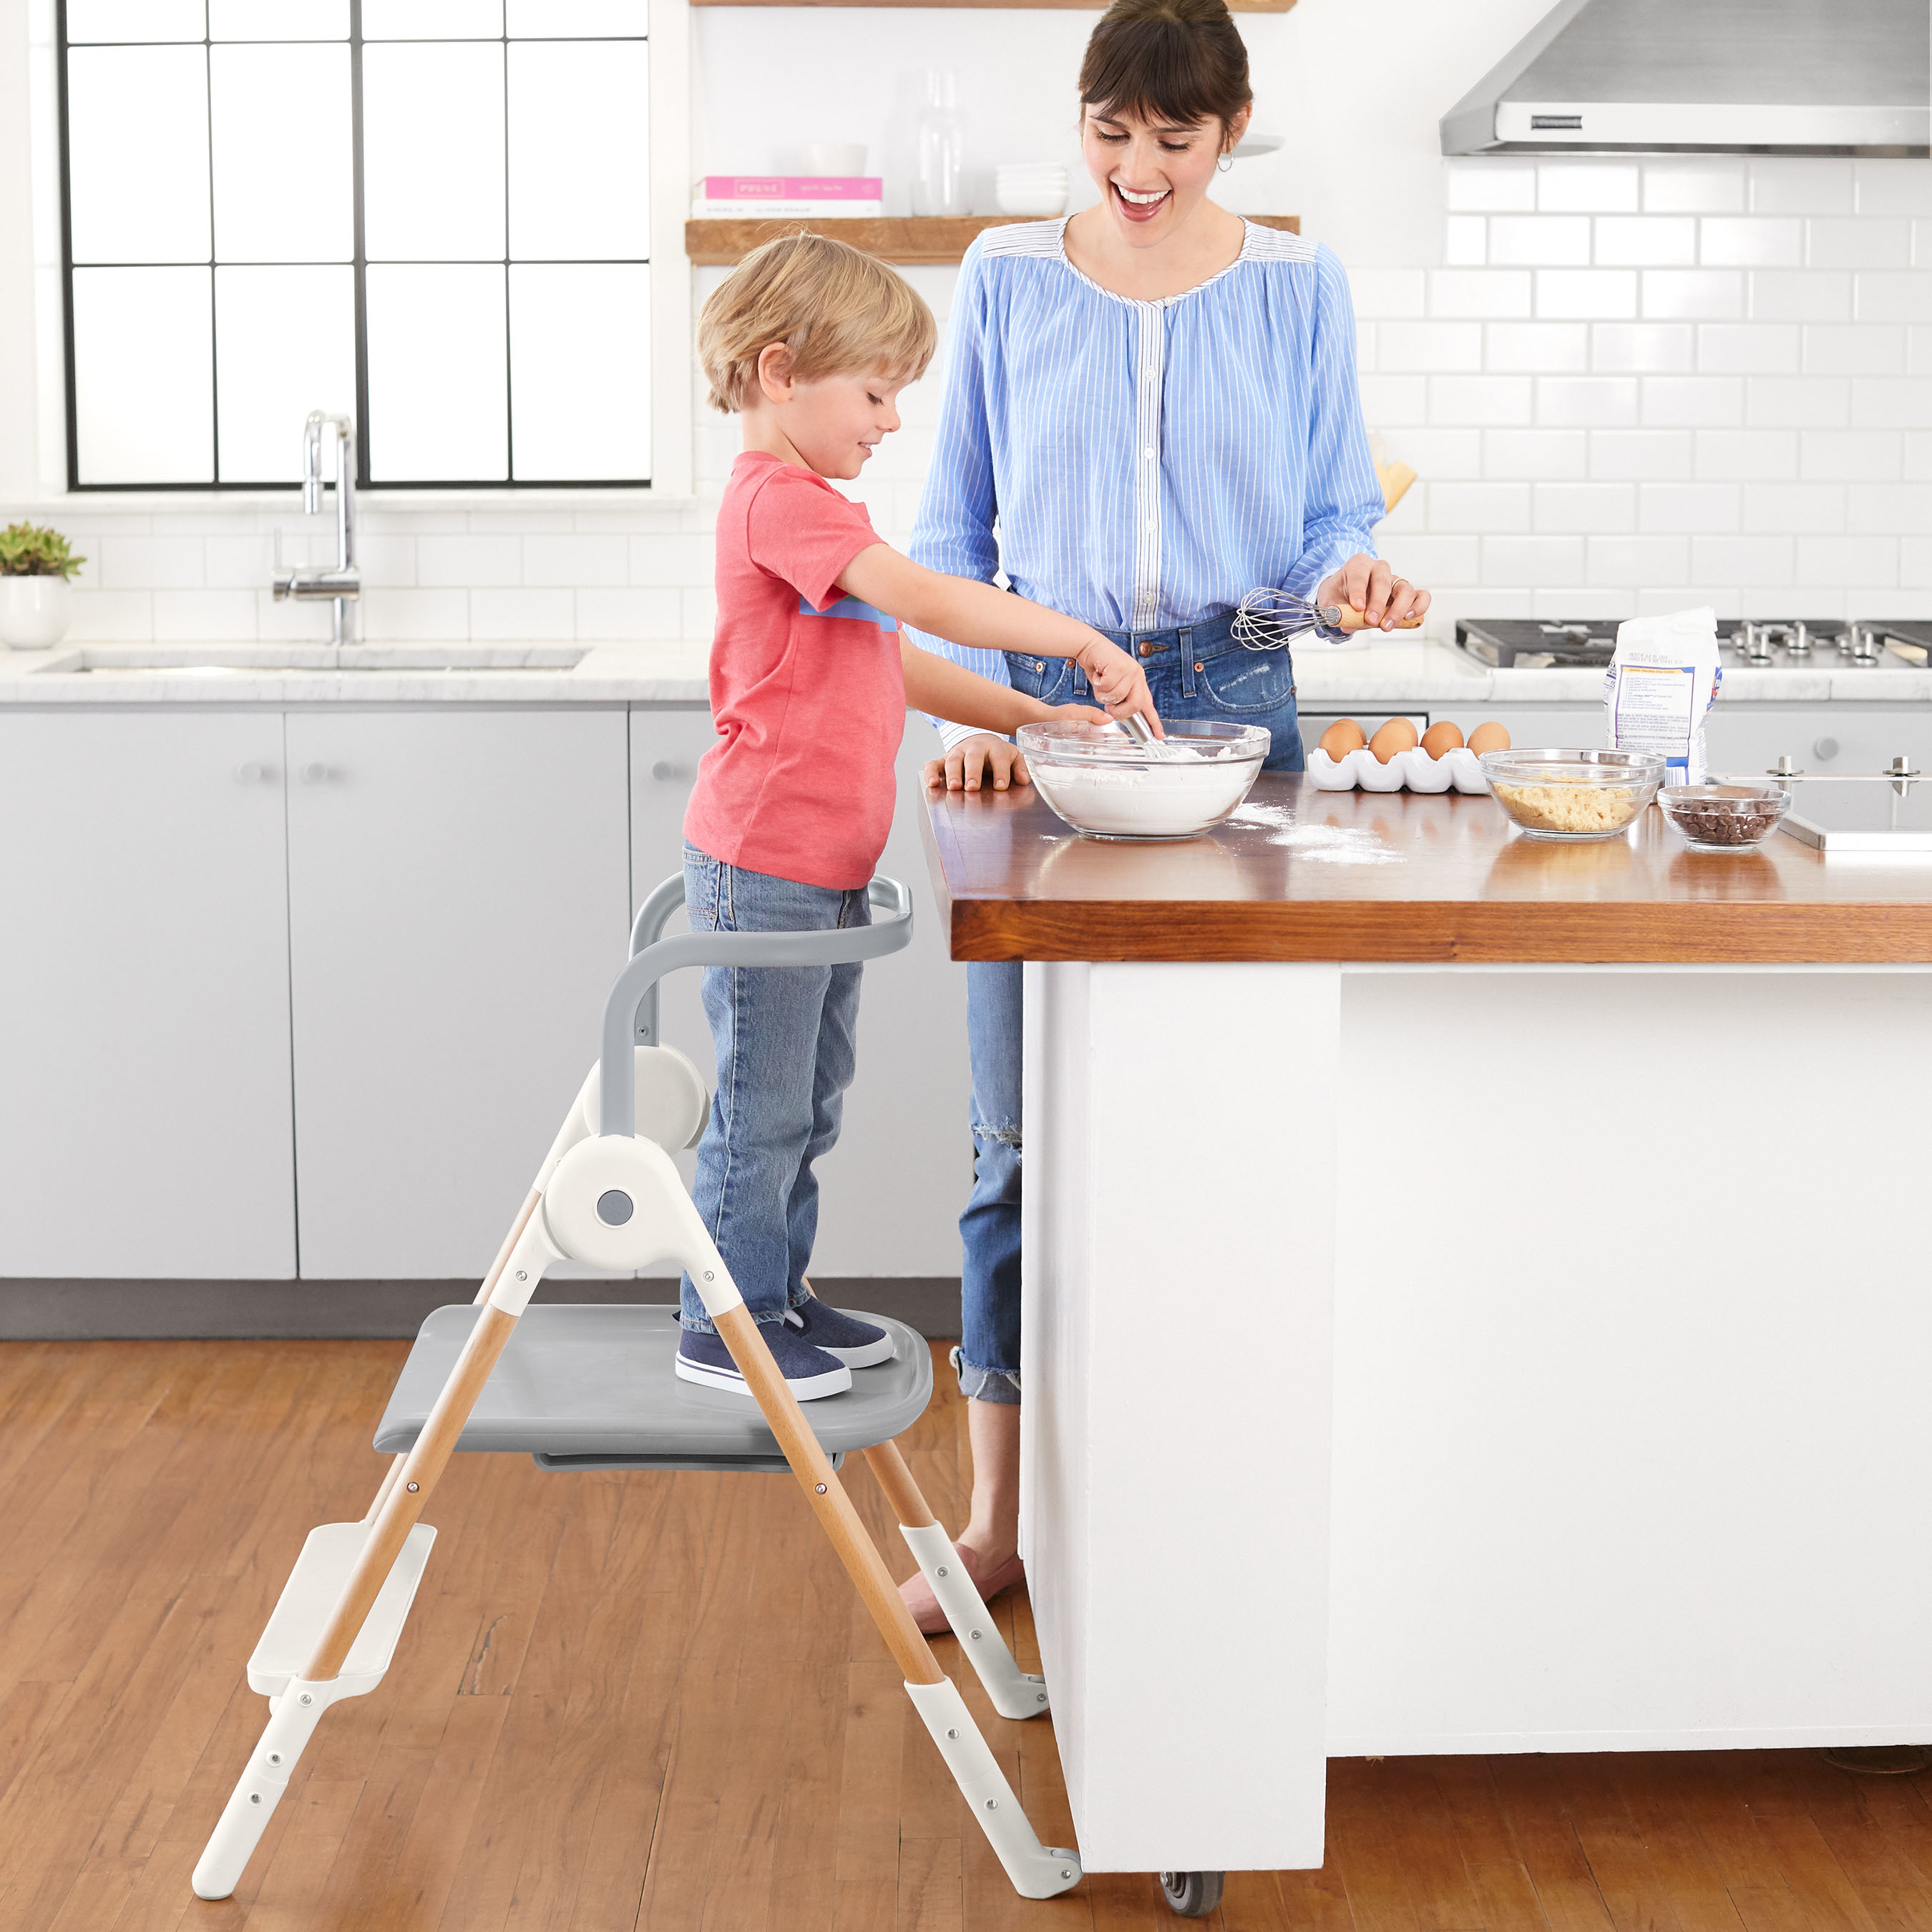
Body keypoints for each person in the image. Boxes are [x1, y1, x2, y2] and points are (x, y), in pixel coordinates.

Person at [900, 0, 1433, 1623]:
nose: (1137, 166)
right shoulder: (1003, 276)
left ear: (1234, 126)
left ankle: (1215, 1514)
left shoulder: (1294, 283)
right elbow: (947, 536)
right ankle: (997, 1527)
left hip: (1238, 701)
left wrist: (1355, 581)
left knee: (1231, 1117)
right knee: (1012, 1133)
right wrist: (987, 713)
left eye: (1173, 138)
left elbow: (1336, 516)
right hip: (1045, 708)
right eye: (1110, 131)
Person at [675, 231, 1162, 1400]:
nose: (892, 420)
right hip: (766, 862)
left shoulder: (815, 518)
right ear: (780, 372)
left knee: (806, 1101)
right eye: (878, 392)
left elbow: (893, 661)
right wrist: (1080, 641)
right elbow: (932, 598)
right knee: (761, 1110)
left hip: (811, 864)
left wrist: (1032, 714)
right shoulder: (783, 504)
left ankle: (774, 1296)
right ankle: (724, 1327)